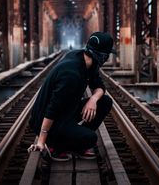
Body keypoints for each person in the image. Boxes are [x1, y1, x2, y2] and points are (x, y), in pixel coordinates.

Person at [28, 32, 115, 161]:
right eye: (107, 55)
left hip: (65, 113)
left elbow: (100, 87)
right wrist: (41, 140)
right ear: (102, 56)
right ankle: (56, 147)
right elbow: (53, 108)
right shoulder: (71, 74)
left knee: (105, 101)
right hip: (46, 121)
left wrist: (93, 99)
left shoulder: (85, 60)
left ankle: (73, 141)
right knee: (90, 138)